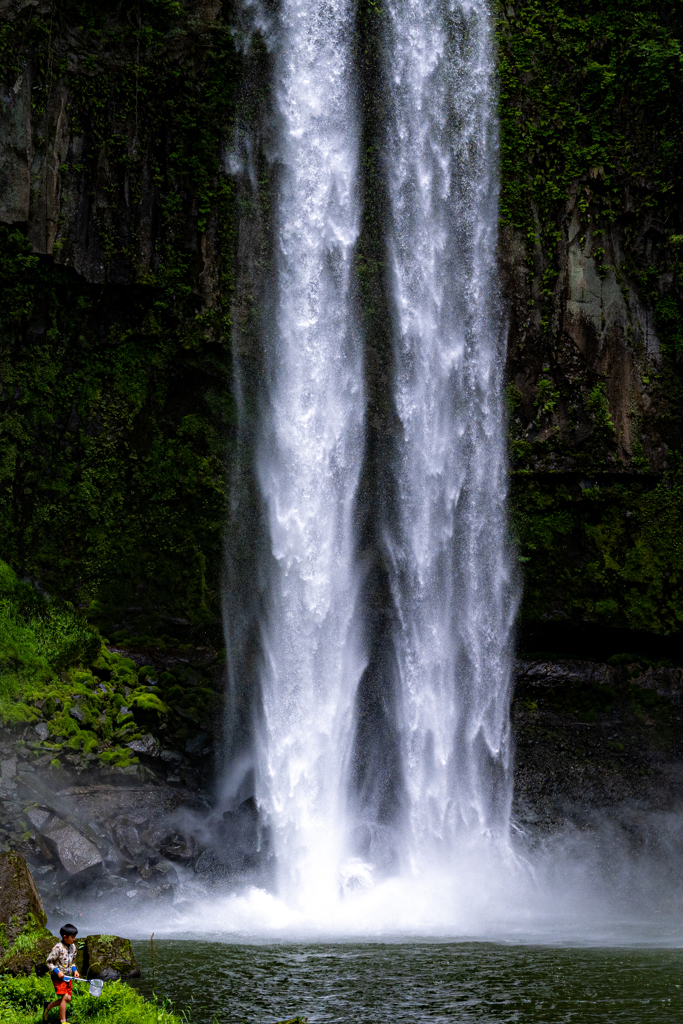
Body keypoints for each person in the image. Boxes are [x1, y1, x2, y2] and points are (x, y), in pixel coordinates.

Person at [44, 924, 80, 1022]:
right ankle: (63, 1021)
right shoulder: (58, 948)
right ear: (65, 937)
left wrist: (75, 970)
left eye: (74, 937)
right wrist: (57, 972)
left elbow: (72, 962)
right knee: (64, 997)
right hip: (58, 977)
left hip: (68, 976)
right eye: (72, 937)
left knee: (68, 998)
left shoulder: (73, 947)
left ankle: (48, 1006)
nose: (74, 939)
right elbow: (48, 962)